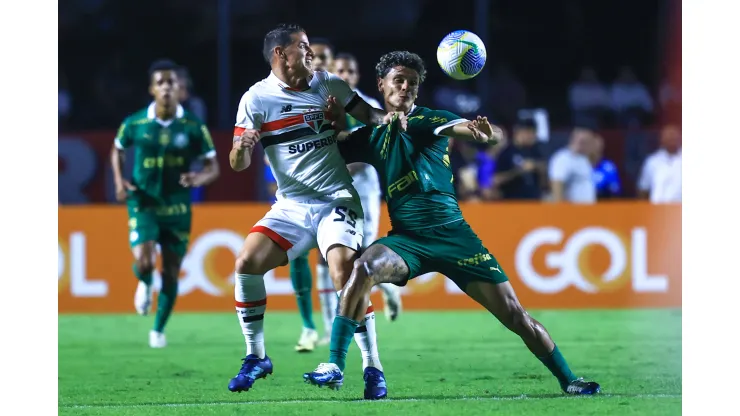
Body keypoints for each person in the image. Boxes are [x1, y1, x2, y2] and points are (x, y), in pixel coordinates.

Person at [303, 51, 601, 398]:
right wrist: (330, 123)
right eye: (398, 80)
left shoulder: (428, 119)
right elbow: (323, 152)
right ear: (381, 85)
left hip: (455, 237)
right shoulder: (372, 136)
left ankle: (569, 379)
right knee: (363, 269)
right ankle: (336, 364)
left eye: (412, 83)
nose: (405, 87)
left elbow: (467, 129)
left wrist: (485, 134)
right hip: (408, 241)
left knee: (515, 315)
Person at [227, 23, 402, 399]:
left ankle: (373, 367)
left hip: (336, 198)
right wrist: (244, 146)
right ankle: (256, 356)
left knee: (344, 273)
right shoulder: (255, 99)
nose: (310, 54)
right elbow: (237, 162)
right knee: (246, 263)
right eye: (302, 47)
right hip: (290, 206)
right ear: (280, 55)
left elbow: (369, 115)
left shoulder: (329, 84)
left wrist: (389, 119)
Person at [110, 59, 220, 348]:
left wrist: (199, 178)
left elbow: (213, 166)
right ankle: (144, 282)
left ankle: (158, 329)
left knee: (171, 271)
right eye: (161, 83)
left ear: (179, 88)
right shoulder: (135, 123)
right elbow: (117, 150)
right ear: (152, 89)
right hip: (144, 203)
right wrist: (119, 182)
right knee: (145, 262)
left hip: (177, 208)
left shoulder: (193, 126)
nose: (167, 87)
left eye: (172, 83)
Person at [333, 52, 403, 323]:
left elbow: (369, 153)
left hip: (364, 189)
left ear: (357, 76)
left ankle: (387, 289)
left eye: (350, 72)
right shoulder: (324, 106)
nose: (346, 76)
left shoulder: (368, 106)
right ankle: (335, 321)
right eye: (341, 71)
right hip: (334, 193)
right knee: (340, 253)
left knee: (365, 250)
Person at [548, 127, 597, 204]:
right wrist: (559, 209)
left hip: (587, 210)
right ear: (574, 139)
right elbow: (557, 183)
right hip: (572, 211)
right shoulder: (563, 158)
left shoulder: (583, 159)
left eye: (588, 142)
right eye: (583, 142)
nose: (587, 145)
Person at [637, 124, 681, 203]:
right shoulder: (652, 161)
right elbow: (643, 189)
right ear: (662, 139)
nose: (672, 139)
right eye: (669, 136)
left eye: (674, 136)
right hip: (657, 209)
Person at [590, 134, 622, 199]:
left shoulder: (609, 167)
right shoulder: (580, 166)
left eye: (599, 149)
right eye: (594, 148)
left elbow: (615, 191)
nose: (596, 152)